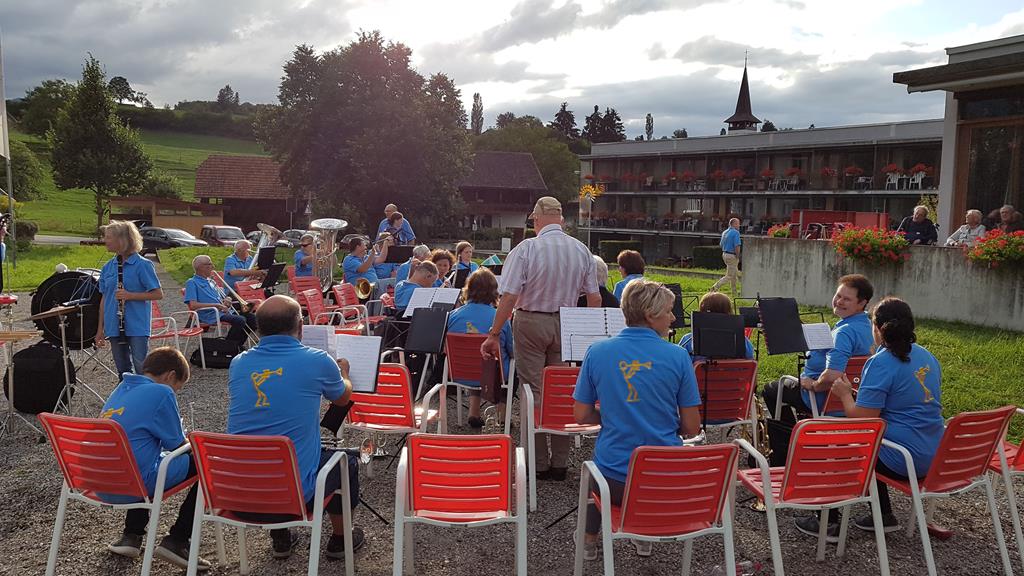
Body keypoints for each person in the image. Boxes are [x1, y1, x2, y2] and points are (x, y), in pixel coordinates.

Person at [573, 279, 702, 561]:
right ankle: (645, 537)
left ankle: (588, 541)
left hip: (614, 483)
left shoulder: (597, 352)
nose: (673, 317)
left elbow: (580, 414)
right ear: (650, 314)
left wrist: (610, 418)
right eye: (669, 311)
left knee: (598, 468)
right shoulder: (679, 356)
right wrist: (664, 423)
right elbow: (692, 428)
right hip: (665, 481)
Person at [227, 295, 363, 559]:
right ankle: (340, 539)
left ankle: (282, 537)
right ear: (300, 327)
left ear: (258, 327)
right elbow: (342, 398)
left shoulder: (239, 363)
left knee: (269, 445)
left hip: (237, 493)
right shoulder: (316, 360)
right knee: (345, 462)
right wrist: (344, 373)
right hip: (293, 498)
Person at [796, 297, 943, 539]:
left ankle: (828, 522)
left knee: (843, 444)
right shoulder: (926, 355)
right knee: (876, 443)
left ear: (877, 328)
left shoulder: (881, 361)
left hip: (903, 460)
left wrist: (844, 394)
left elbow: (862, 421)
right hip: (934, 454)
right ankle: (883, 516)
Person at [482, 196, 600, 482]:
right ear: (561, 219)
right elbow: (594, 297)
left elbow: (509, 296)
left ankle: (538, 462)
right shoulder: (581, 249)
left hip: (531, 320)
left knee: (533, 392)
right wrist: (585, 331)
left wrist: (494, 334)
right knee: (561, 391)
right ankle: (560, 461)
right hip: (567, 321)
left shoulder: (527, 248)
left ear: (536, 219)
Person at [100, 348, 210, 571]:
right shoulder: (162, 392)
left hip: (99, 482)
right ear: (170, 376)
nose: (175, 392)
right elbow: (176, 444)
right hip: (134, 484)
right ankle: (178, 539)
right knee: (207, 462)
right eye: (177, 387)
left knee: (144, 457)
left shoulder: (121, 388)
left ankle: (132, 535)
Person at [762, 274, 874, 420]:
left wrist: (813, 385)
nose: (839, 301)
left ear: (862, 303)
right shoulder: (868, 326)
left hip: (820, 399)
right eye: (838, 295)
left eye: (846, 299)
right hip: (854, 398)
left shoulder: (844, 332)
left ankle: (788, 440)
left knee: (770, 389)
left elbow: (832, 376)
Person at [445, 269, 513, 428]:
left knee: (478, 360)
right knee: (508, 364)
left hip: (460, 374)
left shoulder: (452, 315)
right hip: (495, 376)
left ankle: (474, 412)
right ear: (494, 291)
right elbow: (511, 350)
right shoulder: (500, 318)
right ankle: (502, 415)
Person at [96, 220, 164, 377]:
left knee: (142, 369)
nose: (105, 241)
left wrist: (130, 295)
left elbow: (158, 294)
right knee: (123, 371)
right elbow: (104, 299)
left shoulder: (143, 265)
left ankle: (144, 398)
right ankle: (127, 399)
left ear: (122, 240)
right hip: (114, 325)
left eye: (108, 237)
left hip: (137, 325)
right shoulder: (108, 266)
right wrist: (100, 329)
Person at [184, 255, 257, 345]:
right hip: (209, 314)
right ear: (202, 267)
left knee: (252, 318)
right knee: (239, 320)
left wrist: (228, 298)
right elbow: (193, 305)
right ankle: (227, 346)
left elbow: (222, 297)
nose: (213, 267)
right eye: (210, 264)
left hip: (222, 311)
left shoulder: (211, 281)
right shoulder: (192, 282)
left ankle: (236, 346)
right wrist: (217, 305)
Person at [678, 292, 754, 361]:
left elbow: (679, 364)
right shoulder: (743, 341)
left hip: (698, 376)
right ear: (729, 313)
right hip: (735, 376)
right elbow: (750, 363)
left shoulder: (688, 340)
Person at [710, 218, 741, 296]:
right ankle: (715, 287)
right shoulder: (736, 233)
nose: (739, 225)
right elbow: (737, 246)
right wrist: (738, 256)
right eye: (738, 223)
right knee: (730, 275)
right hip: (732, 255)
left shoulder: (725, 232)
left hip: (724, 254)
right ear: (733, 224)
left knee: (734, 274)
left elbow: (721, 244)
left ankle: (734, 293)